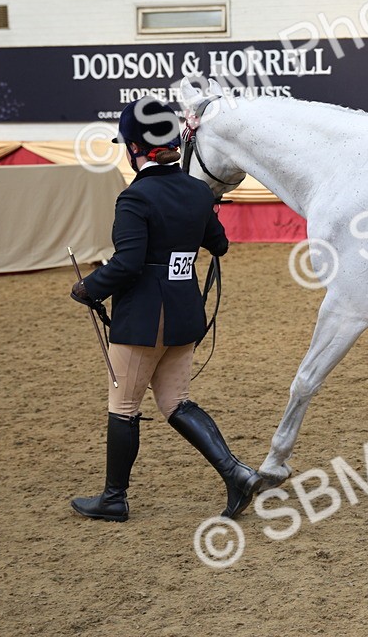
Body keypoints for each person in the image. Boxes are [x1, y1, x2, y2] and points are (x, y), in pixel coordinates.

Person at [69, 97, 258, 522]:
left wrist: (88, 288)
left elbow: (128, 263)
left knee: (124, 407)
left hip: (143, 319)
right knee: (176, 402)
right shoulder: (196, 191)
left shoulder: (134, 198)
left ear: (136, 148)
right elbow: (221, 245)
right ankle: (237, 474)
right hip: (184, 313)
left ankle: (114, 498)